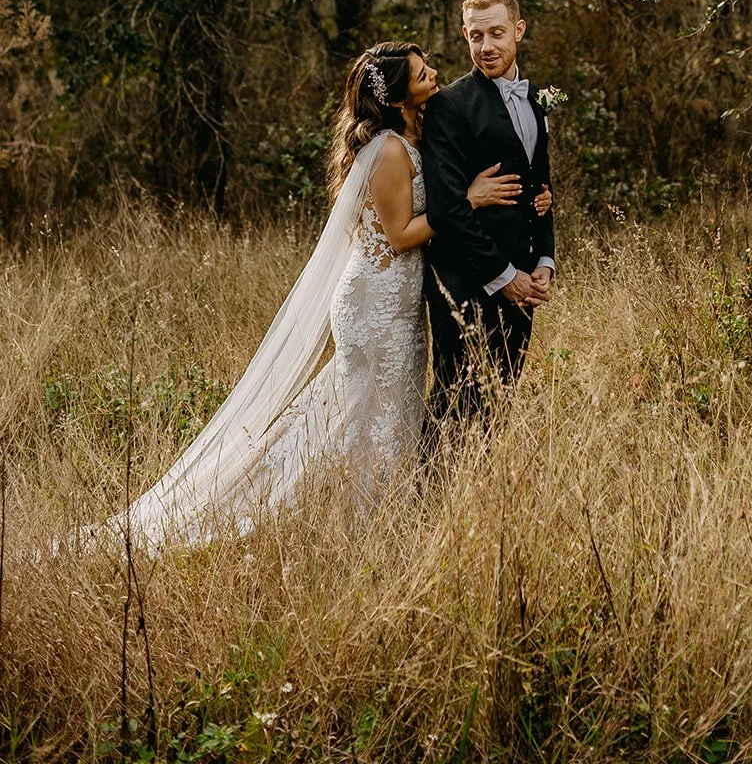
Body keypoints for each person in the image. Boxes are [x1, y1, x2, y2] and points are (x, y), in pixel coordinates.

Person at [102, 41, 516, 551]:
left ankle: (384, 526)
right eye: (421, 71)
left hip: (402, 299)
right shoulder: (386, 149)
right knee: (372, 418)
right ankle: (361, 531)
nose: (433, 73)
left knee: (389, 412)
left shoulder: (418, 130)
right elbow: (400, 234)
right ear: (396, 94)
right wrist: (467, 202)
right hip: (375, 299)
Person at [421, 0, 556, 431]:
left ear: (518, 30)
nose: (486, 47)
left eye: (497, 33)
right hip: (466, 287)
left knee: (496, 413)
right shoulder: (447, 106)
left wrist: (544, 262)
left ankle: (475, 501)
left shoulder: (537, 99)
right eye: (476, 36)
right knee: (452, 413)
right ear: (465, 34)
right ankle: (426, 501)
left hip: (523, 286)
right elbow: (445, 211)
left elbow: (541, 186)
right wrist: (505, 276)